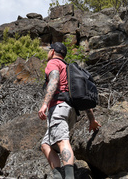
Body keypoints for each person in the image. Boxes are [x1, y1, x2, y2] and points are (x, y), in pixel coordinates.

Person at [38, 42, 101, 179]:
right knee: (45, 144)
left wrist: (44, 104)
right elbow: (80, 94)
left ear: (53, 51)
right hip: (71, 110)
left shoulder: (53, 63)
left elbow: (54, 81)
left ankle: (69, 177)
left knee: (62, 141)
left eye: (49, 50)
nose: (48, 53)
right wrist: (92, 119)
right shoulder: (68, 69)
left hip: (59, 108)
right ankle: (58, 176)